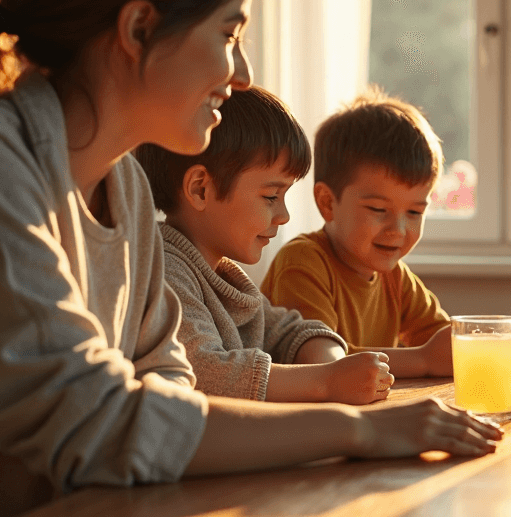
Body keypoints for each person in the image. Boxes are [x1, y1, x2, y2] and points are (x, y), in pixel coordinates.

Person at [0, 0, 498, 517]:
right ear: (139, 28)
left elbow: (168, 384)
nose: (243, 74)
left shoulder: (128, 188)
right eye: (229, 34)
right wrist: (358, 428)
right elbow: (88, 418)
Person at [135, 85, 395, 404]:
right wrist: (326, 381)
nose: (283, 215)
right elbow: (202, 372)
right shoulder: (165, 273)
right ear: (201, 190)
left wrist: (335, 362)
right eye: (271, 196)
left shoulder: (223, 275)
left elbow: (287, 331)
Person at [261, 89, 454, 378]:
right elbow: (323, 363)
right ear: (328, 203)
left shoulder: (396, 278)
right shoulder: (302, 262)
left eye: (414, 212)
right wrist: (424, 360)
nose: (398, 230)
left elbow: (441, 339)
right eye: (378, 209)